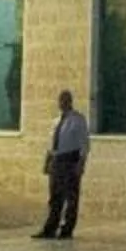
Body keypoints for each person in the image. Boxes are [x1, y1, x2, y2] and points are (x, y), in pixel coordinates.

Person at [37, 88, 91, 239]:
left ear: (70, 101)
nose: (62, 103)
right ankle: (50, 228)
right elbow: (50, 144)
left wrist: (81, 163)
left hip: (70, 160)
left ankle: (67, 229)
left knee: (71, 196)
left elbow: (84, 144)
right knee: (55, 196)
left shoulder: (78, 120)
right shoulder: (56, 121)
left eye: (65, 100)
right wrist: (47, 162)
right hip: (56, 160)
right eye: (60, 100)